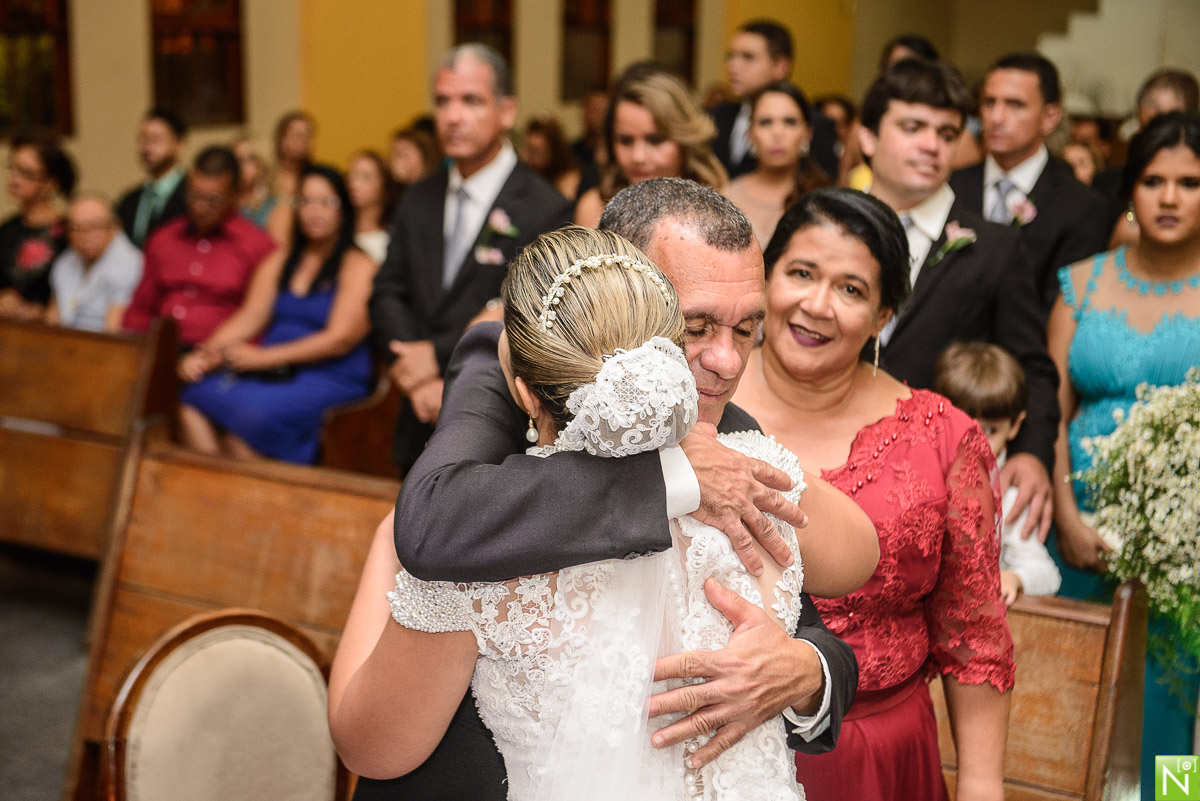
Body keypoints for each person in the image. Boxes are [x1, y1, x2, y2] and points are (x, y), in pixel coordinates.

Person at [350, 178, 871, 799]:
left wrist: (806, 671)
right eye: (696, 326)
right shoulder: (511, 362)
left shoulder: (729, 437)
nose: (728, 363)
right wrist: (673, 476)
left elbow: (804, 601)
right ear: (616, 286)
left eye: (747, 329)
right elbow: (434, 523)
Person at [731, 187, 1014, 801]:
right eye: (800, 273)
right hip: (719, 746)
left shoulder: (944, 437)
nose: (816, 304)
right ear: (766, 278)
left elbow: (975, 639)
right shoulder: (696, 408)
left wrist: (983, 786)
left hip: (880, 759)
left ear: (885, 317)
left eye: (851, 289)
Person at [1048, 110, 1200, 792]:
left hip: (1184, 540)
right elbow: (1050, 411)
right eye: (1153, 180)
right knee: (1069, 683)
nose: (1169, 198)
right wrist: (1067, 514)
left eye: (1190, 182)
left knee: (1171, 696)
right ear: (1130, 191)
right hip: (1078, 525)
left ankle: (1173, 799)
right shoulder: (1081, 283)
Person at [858, 57, 1061, 543]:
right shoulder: (829, 231)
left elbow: (1032, 363)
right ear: (867, 137)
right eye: (913, 127)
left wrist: (1033, 452)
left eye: (947, 134)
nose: (932, 145)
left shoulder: (995, 246)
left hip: (935, 480)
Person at [370, 44, 572, 471]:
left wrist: (439, 357)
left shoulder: (544, 207)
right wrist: (417, 371)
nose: (453, 116)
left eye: (471, 101)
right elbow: (388, 289)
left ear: (506, 111)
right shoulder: (419, 197)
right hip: (414, 408)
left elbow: (535, 317)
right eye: (443, 101)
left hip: (494, 421)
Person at [176, 164, 376, 463]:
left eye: (326, 202)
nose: (314, 211)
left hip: (328, 374)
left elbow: (339, 339)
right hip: (272, 371)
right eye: (305, 201)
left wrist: (262, 358)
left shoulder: (359, 265)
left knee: (246, 423)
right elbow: (251, 316)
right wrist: (205, 355)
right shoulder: (281, 260)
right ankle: (221, 497)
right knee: (193, 397)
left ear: (344, 210)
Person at [949, 52, 1112, 310]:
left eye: (1015, 105)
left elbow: (1063, 307)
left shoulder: (1083, 207)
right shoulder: (951, 187)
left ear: (1050, 117)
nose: (996, 118)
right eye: (989, 103)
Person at [933, 342, 1062, 605]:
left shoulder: (1011, 495)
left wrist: (1015, 577)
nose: (975, 441)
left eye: (990, 430)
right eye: (961, 425)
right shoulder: (924, 475)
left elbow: (1047, 574)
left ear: (1015, 426)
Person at [122, 146, 276, 347]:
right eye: (194, 196)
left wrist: (213, 355)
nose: (200, 207)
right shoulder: (163, 239)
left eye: (213, 200)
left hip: (218, 358)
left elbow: (256, 320)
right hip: (160, 352)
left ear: (235, 196)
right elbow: (140, 310)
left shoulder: (257, 246)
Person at [574, 67, 727, 227]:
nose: (638, 156)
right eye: (625, 140)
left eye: (655, 140)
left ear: (685, 140)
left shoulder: (719, 206)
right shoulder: (595, 209)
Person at [711, 20, 839, 180]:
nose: (733, 66)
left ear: (781, 67)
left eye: (748, 57)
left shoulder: (816, 125)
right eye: (731, 56)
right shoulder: (714, 117)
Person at [724, 81, 831, 249]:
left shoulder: (826, 199)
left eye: (789, 122)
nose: (777, 133)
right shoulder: (726, 197)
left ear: (807, 133)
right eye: (766, 122)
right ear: (750, 134)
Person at [0, 133, 74, 320]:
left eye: (26, 173)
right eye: (13, 169)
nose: (14, 179)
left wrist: (38, 312)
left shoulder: (68, 232)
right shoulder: (7, 229)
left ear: (51, 183)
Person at [45, 193, 142, 332]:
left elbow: (113, 332)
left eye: (94, 227)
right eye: (75, 228)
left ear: (115, 227)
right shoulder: (65, 261)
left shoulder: (131, 264)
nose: (84, 235)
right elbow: (52, 320)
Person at [116, 108, 188, 249]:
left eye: (156, 140)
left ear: (179, 144)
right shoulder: (130, 200)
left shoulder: (192, 195)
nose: (147, 148)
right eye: (142, 140)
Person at [346, 150, 397, 265]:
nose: (354, 184)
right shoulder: (336, 236)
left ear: (384, 187)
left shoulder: (392, 240)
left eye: (366, 177)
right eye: (352, 175)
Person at [520, 114, 581, 202]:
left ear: (553, 150)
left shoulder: (569, 177)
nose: (531, 159)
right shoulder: (526, 172)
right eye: (529, 150)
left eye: (537, 151)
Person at [231, 136, 277, 230]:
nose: (240, 166)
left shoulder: (273, 207)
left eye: (249, 159)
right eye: (236, 159)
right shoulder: (224, 204)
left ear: (262, 165)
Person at [388, 124, 440, 196]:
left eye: (404, 153)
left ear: (423, 155)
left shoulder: (438, 189)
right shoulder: (392, 195)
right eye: (395, 153)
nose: (398, 161)